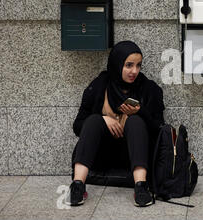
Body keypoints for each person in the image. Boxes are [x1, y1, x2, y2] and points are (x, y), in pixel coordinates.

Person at [66, 41, 165, 207]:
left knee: (135, 121)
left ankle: (141, 187)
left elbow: (159, 130)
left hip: (135, 158)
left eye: (138, 65)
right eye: (128, 65)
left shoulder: (148, 89)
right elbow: (77, 126)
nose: (134, 71)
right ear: (117, 64)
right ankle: (77, 185)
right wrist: (103, 118)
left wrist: (140, 112)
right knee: (93, 120)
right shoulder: (100, 86)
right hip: (102, 156)